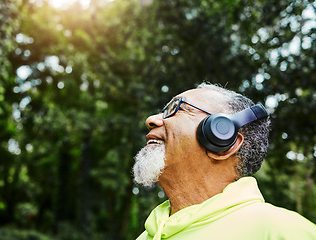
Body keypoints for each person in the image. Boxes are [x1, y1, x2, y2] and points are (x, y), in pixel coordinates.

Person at [132, 83, 316, 240]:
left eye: (177, 108)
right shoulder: (145, 236)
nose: (151, 120)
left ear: (223, 138)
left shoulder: (281, 230)